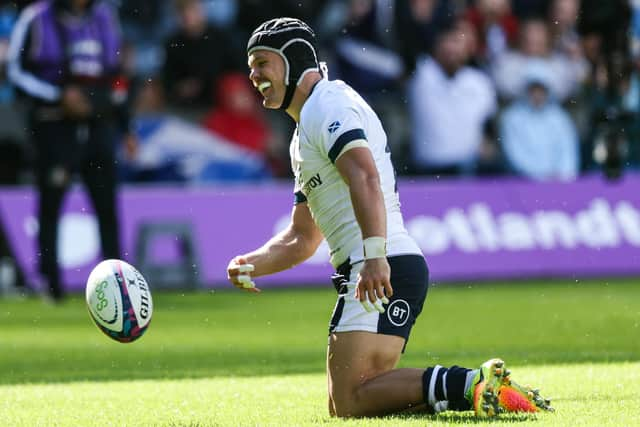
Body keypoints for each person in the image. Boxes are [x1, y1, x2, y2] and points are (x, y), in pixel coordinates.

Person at [226, 17, 553, 418]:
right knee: (358, 401)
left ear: (293, 61)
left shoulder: (328, 104)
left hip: (380, 265)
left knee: (349, 400)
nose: (253, 75)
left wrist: (374, 255)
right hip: (382, 264)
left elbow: (364, 174)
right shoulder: (304, 132)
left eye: (261, 63)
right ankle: (480, 391)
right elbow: (302, 236)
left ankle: (474, 384)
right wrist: (251, 263)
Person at [7, 0, 136, 301]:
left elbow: (118, 73)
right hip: (55, 126)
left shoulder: (105, 16)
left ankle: (117, 285)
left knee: (107, 206)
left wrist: (125, 125)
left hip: (99, 126)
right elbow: (15, 71)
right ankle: (50, 284)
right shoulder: (36, 17)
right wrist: (57, 96)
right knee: (51, 203)